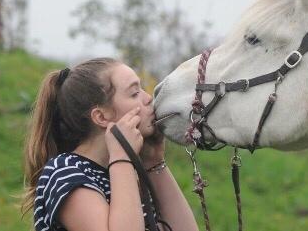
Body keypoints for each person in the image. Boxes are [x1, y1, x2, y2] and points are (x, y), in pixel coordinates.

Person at [22, 57, 198, 231]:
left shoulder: (128, 176)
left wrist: (154, 162)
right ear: (101, 117)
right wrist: (121, 156)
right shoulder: (65, 172)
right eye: (134, 93)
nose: (148, 99)